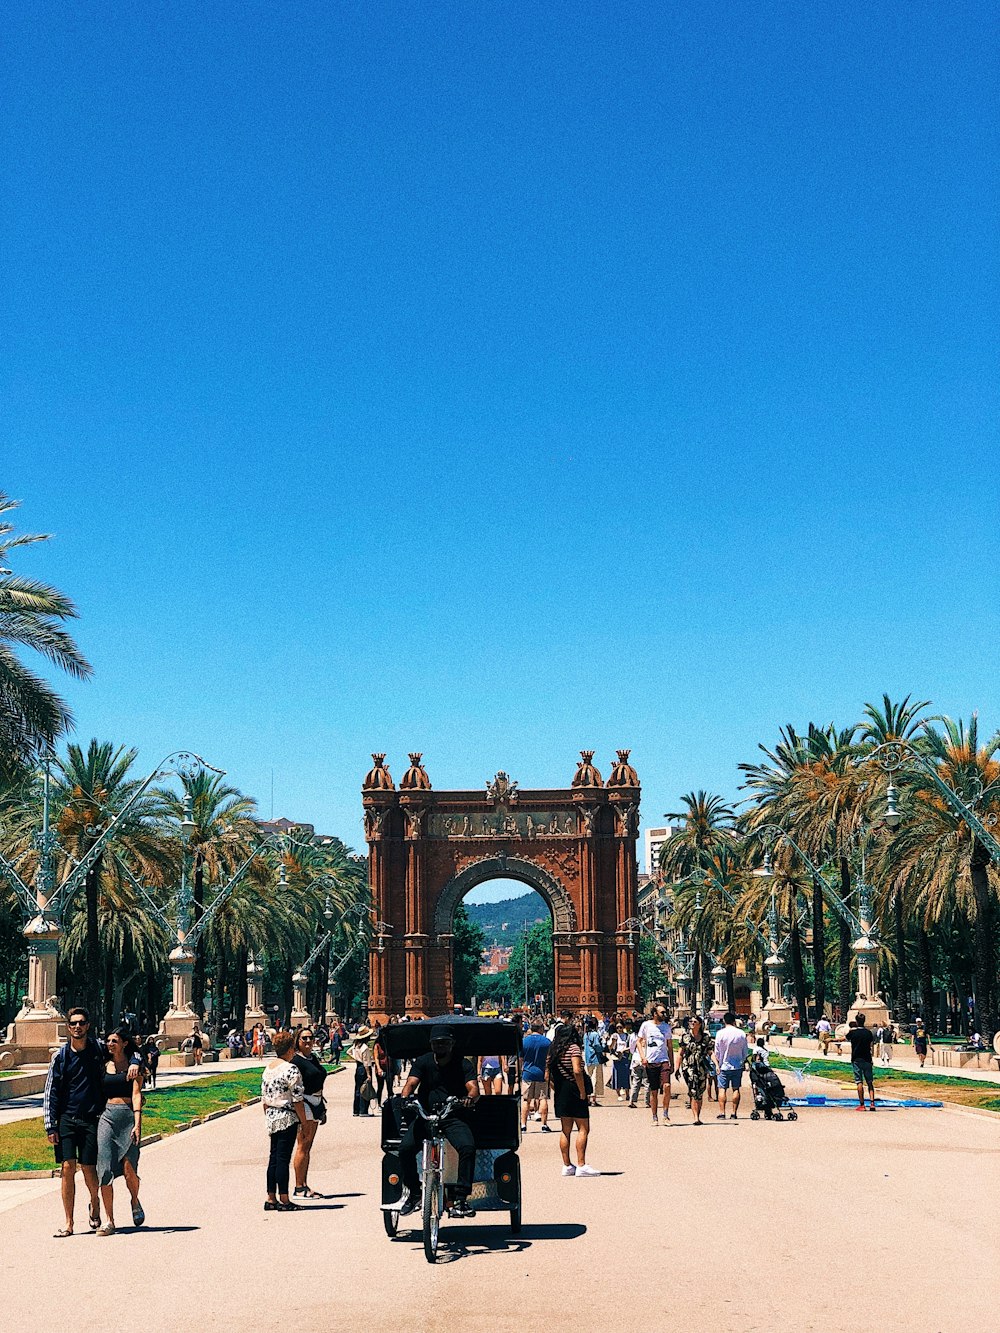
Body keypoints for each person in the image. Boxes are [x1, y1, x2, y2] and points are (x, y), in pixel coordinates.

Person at [396, 1025, 479, 1218]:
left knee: (468, 1147)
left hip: (452, 1116)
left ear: (452, 1044)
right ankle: (415, 1193)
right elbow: (411, 1082)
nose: (440, 1046)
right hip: (426, 1116)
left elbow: (473, 1088)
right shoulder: (424, 1061)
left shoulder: (463, 1064)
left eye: (445, 1043)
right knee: (405, 1149)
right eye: (436, 1043)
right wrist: (405, 1098)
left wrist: (469, 1099)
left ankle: (461, 1198)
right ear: (431, 1044)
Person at [44, 1006, 109, 1237]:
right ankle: (69, 1223)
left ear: (88, 1025)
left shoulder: (98, 1050)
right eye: (73, 1024)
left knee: (89, 1169)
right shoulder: (60, 1057)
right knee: (67, 1168)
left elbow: (126, 1049)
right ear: (68, 1027)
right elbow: (50, 1091)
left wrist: (135, 1060)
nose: (77, 1027)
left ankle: (94, 1202)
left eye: (81, 1022)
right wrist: (50, 1125)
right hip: (66, 1120)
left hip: (92, 1119)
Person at [95, 1027, 145, 1235]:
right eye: (108, 1040)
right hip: (107, 1116)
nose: (110, 1044)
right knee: (104, 1168)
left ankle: (134, 1200)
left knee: (129, 1169)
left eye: (114, 1041)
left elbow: (136, 1095)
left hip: (127, 1116)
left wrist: (137, 1123)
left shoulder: (134, 1067)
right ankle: (109, 1220)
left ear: (124, 1043)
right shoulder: (103, 1064)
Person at [262, 1029, 308, 1210]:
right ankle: (285, 1199)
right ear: (290, 1049)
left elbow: (264, 1097)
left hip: (272, 1115)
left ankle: (271, 1197)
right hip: (287, 1116)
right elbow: (297, 1099)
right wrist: (304, 1122)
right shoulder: (290, 1069)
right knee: (283, 1159)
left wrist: (267, 1117)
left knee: (273, 1158)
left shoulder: (269, 1068)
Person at [546, 1022, 599, 1176]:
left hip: (561, 1090)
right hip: (574, 1090)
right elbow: (577, 1071)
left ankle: (567, 1165)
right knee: (583, 1128)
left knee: (565, 1130)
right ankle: (582, 1165)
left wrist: (556, 1088)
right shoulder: (573, 1049)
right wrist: (582, 1091)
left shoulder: (553, 1050)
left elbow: (546, 1075)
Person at [291, 1028, 328, 1198]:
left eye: (310, 1038)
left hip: (317, 1101)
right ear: (297, 1041)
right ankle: (299, 1187)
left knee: (308, 1145)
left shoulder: (313, 1058)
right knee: (303, 1145)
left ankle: (304, 1184)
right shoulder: (296, 1061)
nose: (308, 1041)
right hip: (304, 1103)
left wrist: (322, 1107)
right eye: (304, 1038)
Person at [636, 1004, 674, 1125]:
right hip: (651, 1061)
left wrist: (671, 1062)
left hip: (663, 1060)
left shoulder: (666, 1027)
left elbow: (670, 1046)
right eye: (662, 1012)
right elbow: (639, 1042)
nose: (664, 1014)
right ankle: (654, 1117)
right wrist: (643, 1057)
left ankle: (666, 1115)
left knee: (667, 1086)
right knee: (654, 1091)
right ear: (655, 1013)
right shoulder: (646, 1025)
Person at [675, 1014, 714, 1125]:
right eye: (691, 1022)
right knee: (693, 1090)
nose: (692, 1023)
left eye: (694, 1022)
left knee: (700, 1092)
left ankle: (698, 1114)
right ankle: (695, 1118)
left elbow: (710, 1052)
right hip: (689, 1067)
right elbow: (680, 1053)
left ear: (700, 1024)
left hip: (701, 1067)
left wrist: (716, 1064)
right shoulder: (685, 1037)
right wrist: (677, 1068)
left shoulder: (706, 1037)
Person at [714, 1011, 749, 1121]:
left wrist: (717, 1062)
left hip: (723, 1065)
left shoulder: (720, 1033)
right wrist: (743, 1060)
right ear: (734, 1021)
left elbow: (717, 1050)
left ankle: (722, 1112)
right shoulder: (741, 1033)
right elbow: (745, 1051)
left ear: (724, 1021)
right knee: (736, 1089)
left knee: (722, 1089)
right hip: (737, 1065)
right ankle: (734, 1112)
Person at [520, 1018, 552, 1133]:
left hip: (527, 1073)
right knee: (543, 1098)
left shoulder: (524, 1041)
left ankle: (523, 1125)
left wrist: (520, 1071)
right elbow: (549, 1059)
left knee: (526, 1100)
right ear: (540, 1028)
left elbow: (520, 1058)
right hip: (541, 1073)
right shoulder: (547, 1042)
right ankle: (544, 1125)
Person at [845, 1013, 877, 1111]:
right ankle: (872, 1103)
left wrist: (831, 1040)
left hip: (856, 1059)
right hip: (867, 1059)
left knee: (859, 1082)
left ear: (856, 1021)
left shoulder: (853, 1033)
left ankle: (862, 1104)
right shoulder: (868, 1033)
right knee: (870, 1082)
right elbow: (871, 1045)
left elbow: (844, 1038)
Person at [350, 1025, 375, 1116]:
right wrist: (368, 1074)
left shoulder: (356, 1045)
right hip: (364, 1068)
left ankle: (356, 1110)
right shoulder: (365, 1047)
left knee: (357, 1089)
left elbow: (348, 1051)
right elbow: (366, 1062)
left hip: (358, 1067)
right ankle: (363, 1110)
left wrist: (356, 1058)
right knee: (365, 1089)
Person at [582, 1018, 605, 1106]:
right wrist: (603, 1044)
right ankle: (593, 1099)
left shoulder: (585, 1035)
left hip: (588, 1058)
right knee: (595, 1078)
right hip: (596, 1058)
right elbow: (597, 1046)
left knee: (588, 1077)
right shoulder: (595, 1034)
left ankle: (587, 1098)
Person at [609, 1024, 631, 1101]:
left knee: (626, 1075)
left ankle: (627, 1094)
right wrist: (613, 1041)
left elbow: (631, 1046)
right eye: (617, 1027)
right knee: (617, 1076)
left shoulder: (627, 1036)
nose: (619, 1029)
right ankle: (618, 1094)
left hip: (625, 1057)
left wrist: (624, 1050)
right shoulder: (614, 1036)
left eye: (620, 1027)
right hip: (616, 1057)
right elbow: (610, 1047)